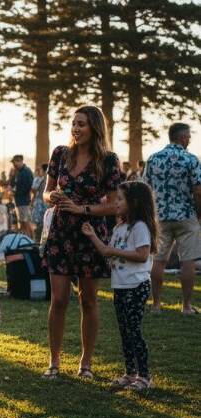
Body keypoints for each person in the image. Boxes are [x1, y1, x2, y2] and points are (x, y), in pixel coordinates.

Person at [42, 105, 123, 380]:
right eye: (74, 123)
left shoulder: (109, 160)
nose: (76, 129)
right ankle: (54, 363)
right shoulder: (60, 154)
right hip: (60, 233)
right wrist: (52, 198)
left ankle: (85, 364)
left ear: (95, 128)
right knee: (59, 299)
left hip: (90, 234)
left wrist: (82, 209)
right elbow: (46, 191)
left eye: (82, 124)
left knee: (88, 301)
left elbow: (113, 206)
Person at [82, 181, 157, 391]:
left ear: (134, 202)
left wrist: (116, 252)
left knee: (134, 331)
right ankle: (130, 373)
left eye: (120, 199)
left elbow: (142, 255)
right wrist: (92, 235)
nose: (115, 203)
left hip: (137, 286)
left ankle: (144, 376)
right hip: (121, 287)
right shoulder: (119, 227)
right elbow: (107, 251)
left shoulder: (140, 227)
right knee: (124, 331)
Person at [143, 122, 201, 314]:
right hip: (186, 215)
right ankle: (186, 306)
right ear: (182, 137)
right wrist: (198, 212)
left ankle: (157, 304)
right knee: (188, 261)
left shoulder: (153, 159)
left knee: (158, 260)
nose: (190, 140)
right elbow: (198, 190)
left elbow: (145, 188)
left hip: (160, 217)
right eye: (189, 137)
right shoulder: (191, 160)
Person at [9, 155, 35, 237]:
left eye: (14, 162)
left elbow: (30, 186)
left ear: (20, 161)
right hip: (18, 201)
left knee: (25, 221)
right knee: (21, 222)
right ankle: (25, 240)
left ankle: (31, 241)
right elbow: (12, 184)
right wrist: (11, 176)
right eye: (13, 163)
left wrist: (16, 192)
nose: (13, 165)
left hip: (24, 201)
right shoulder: (17, 172)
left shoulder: (27, 171)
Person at [31, 164, 49, 241]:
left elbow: (34, 190)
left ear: (43, 170)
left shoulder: (39, 179)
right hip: (47, 204)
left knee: (37, 222)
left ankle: (37, 240)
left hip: (39, 202)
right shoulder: (50, 179)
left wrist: (32, 201)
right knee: (44, 222)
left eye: (41, 170)